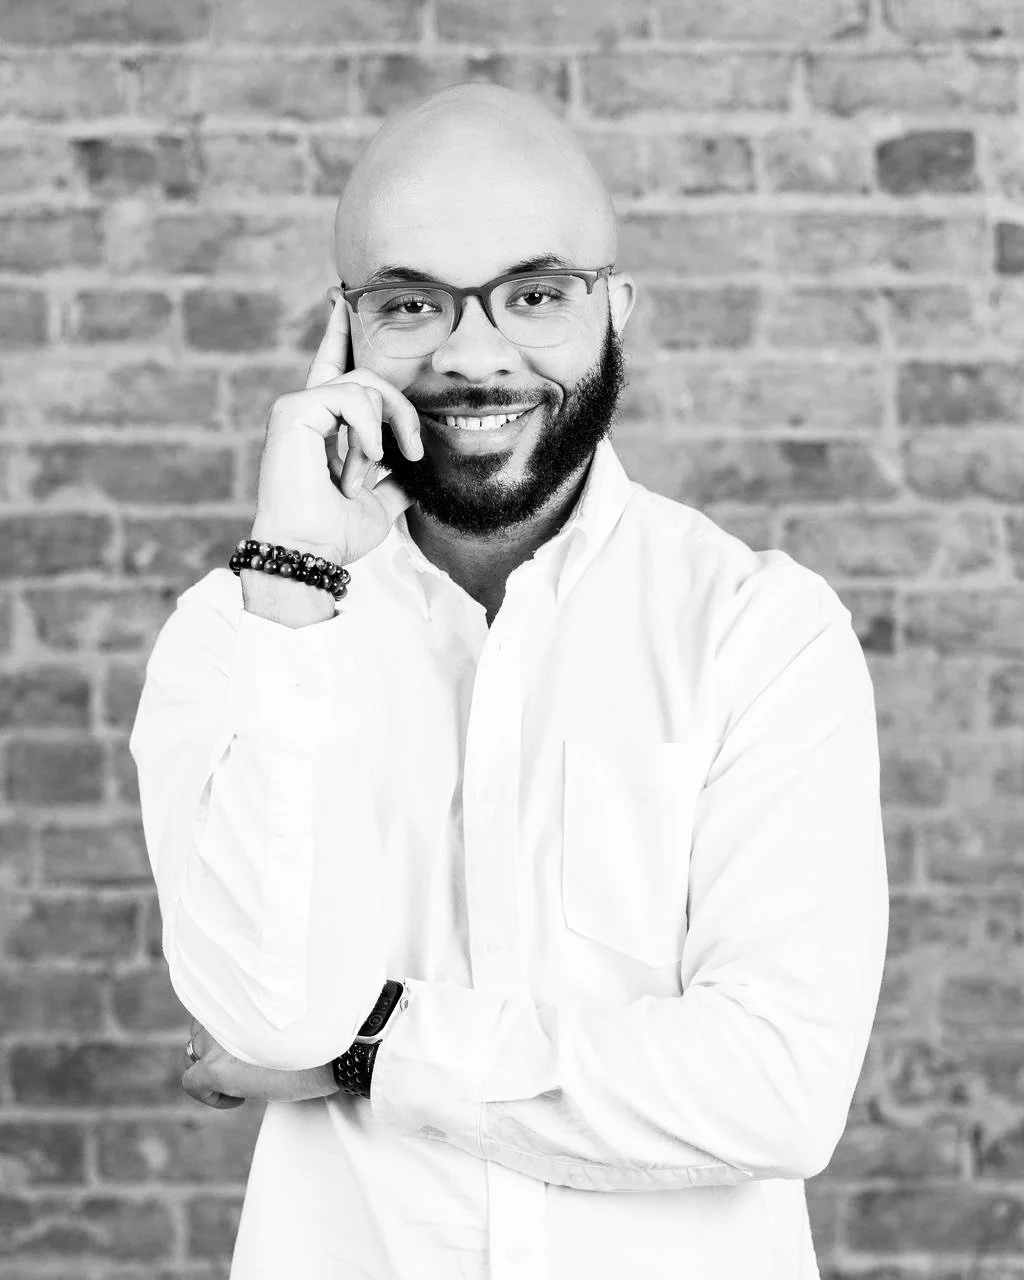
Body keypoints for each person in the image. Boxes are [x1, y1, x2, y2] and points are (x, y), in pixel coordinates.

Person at [130, 81, 889, 1280]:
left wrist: (369, 1042)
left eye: (534, 294)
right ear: (342, 330)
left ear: (614, 310)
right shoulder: (239, 635)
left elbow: (778, 1093)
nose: (474, 353)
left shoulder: (759, 630)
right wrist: (291, 586)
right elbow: (267, 1018)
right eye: (410, 302)